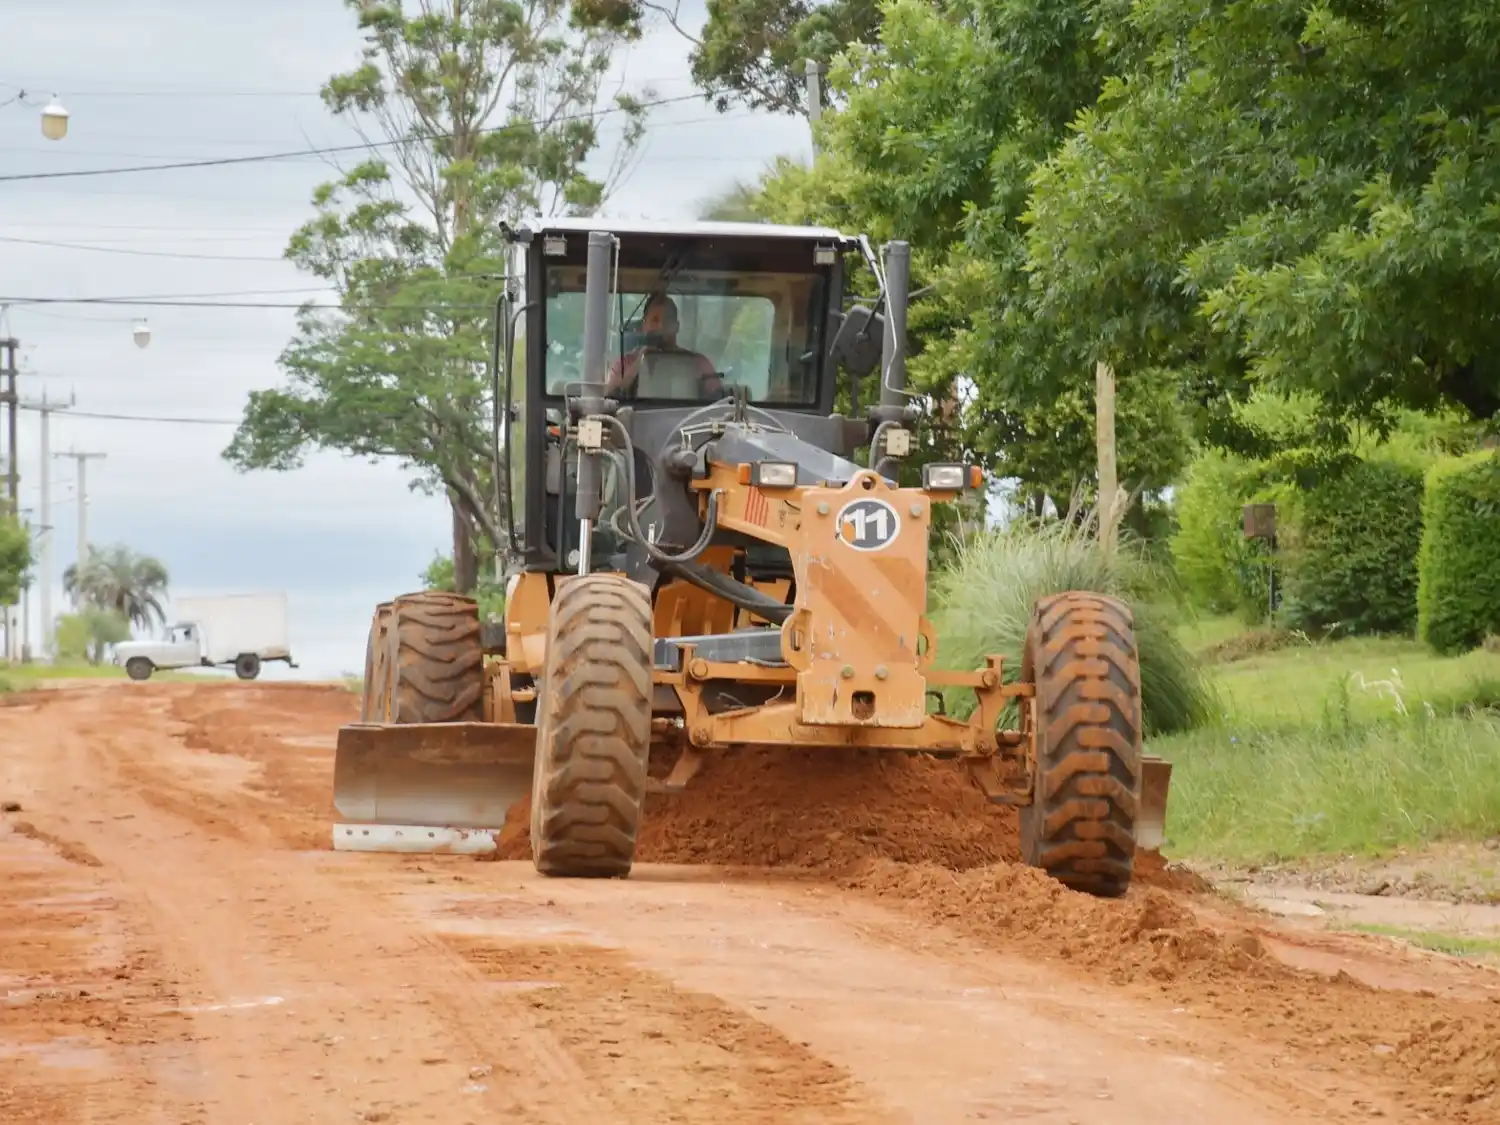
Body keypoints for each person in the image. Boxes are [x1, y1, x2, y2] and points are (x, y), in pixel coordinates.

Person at [605, 293, 724, 399]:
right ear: (643, 326)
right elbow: (610, 396)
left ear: (677, 327)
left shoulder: (698, 363)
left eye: (668, 319)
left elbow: (719, 400)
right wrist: (641, 361)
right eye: (655, 320)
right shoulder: (624, 364)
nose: (661, 326)